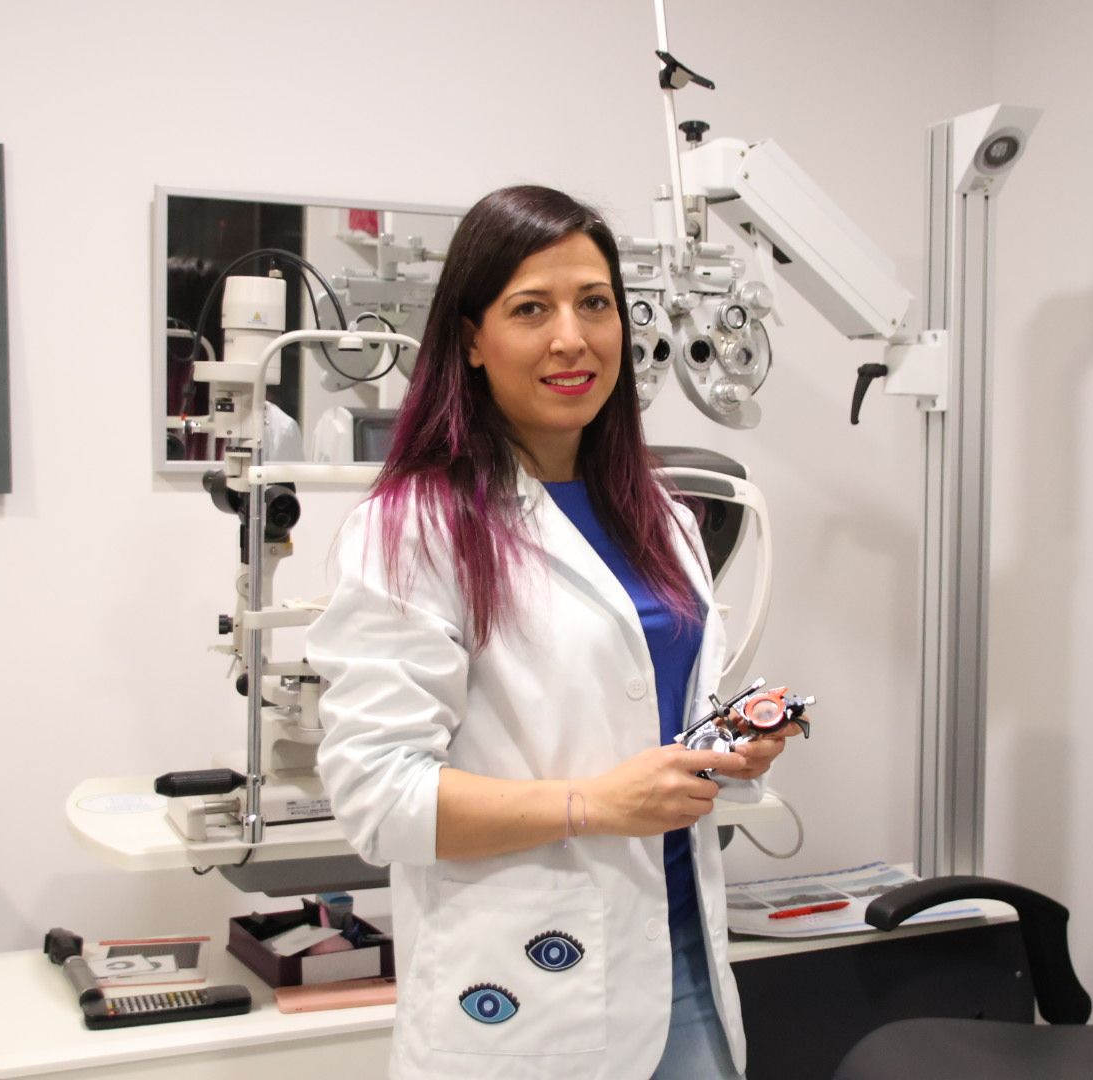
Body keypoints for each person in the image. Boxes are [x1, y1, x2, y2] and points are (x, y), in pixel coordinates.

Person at [307, 185, 805, 1079]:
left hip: (682, 961)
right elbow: (378, 799)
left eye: (595, 304)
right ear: (470, 340)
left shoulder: (663, 518)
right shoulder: (416, 528)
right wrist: (596, 805)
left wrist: (726, 748)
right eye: (530, 309)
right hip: (526, 997)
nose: (571, 338)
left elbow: (638, 727)